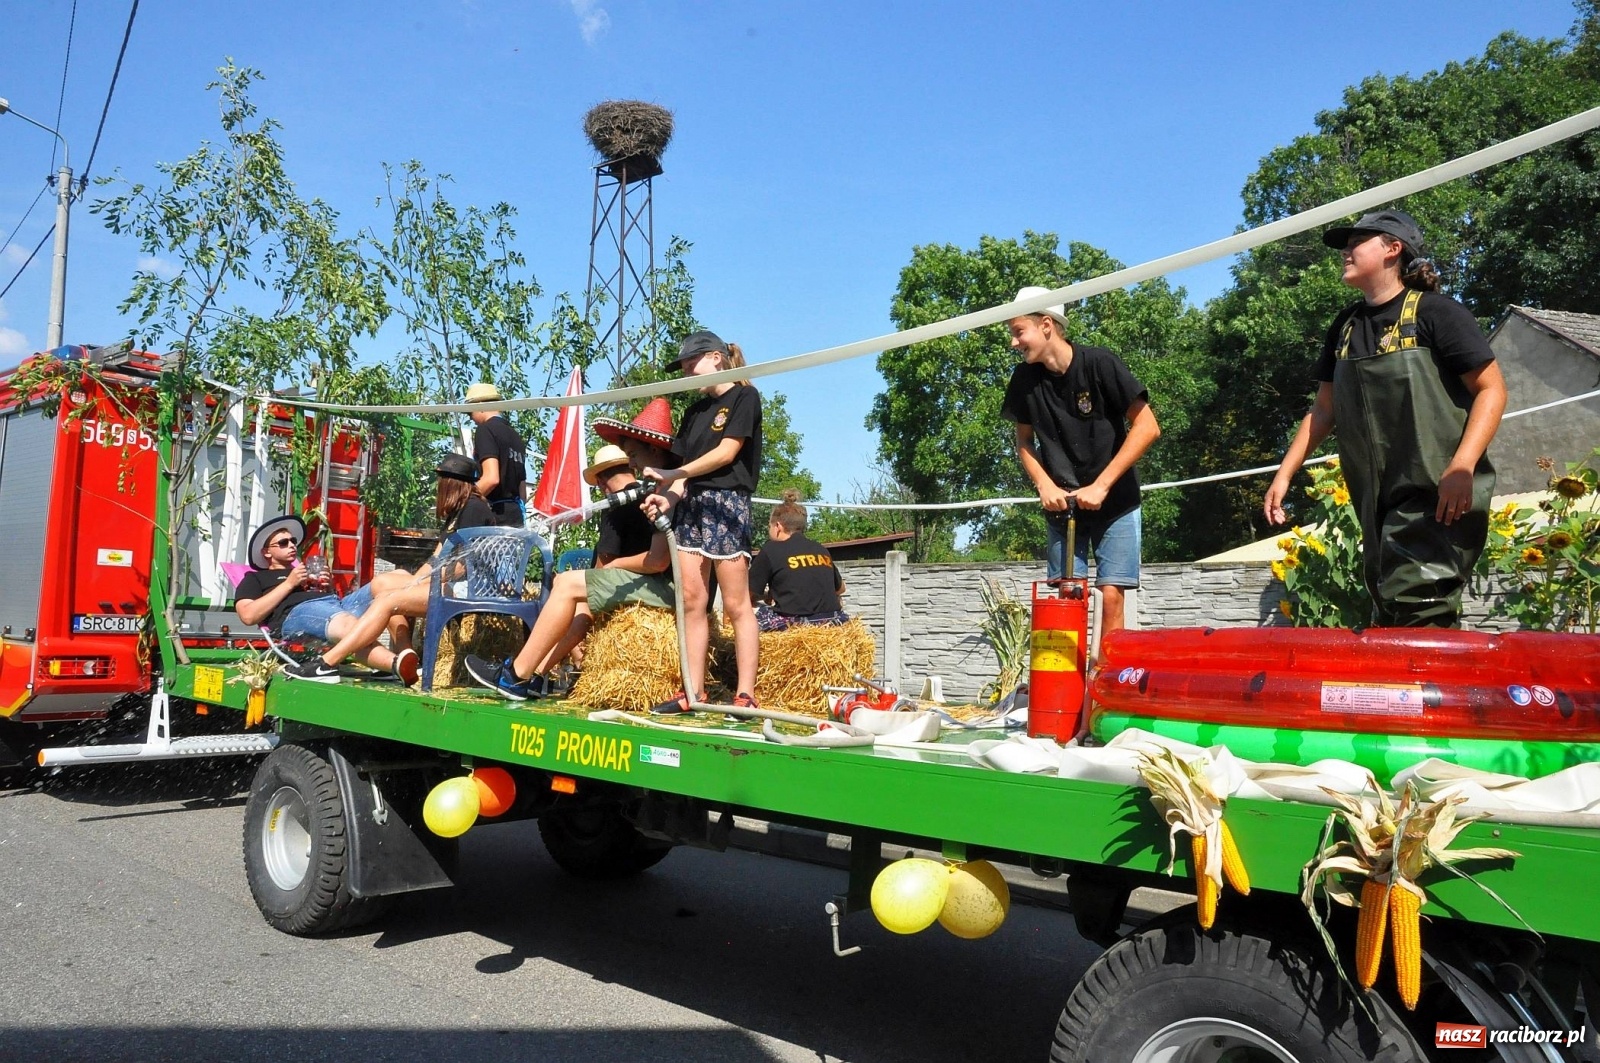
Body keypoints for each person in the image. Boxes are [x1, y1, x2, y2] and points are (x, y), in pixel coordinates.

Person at [1264, 209, 1506, 628]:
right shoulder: (1345, 327)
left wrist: (1462, 466)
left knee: (1419, 606)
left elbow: (1492, 390)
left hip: (1437, 495)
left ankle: (1431, 689)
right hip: (1375, 502)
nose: (1346, 250)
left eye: (1358, 241)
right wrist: (1284, 475)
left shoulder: (1437, 314)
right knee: (1390, 605)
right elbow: (1324, 410)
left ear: (1393, 249)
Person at [1000, 286, 1160, 635]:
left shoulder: (1099, 363)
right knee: (1067, 596)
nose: (1014, 342)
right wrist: (1044, 483)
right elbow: (1024, 443)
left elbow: (1147, 427)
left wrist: (1102, 486)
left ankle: (1102, 684)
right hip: (1064, 506)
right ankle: (1069, 688)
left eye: (1018, 332)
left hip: (1115, 500)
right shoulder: (1024, 380)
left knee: (1111, 595)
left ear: (1046, 325)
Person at [463, 444, 672, 700]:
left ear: (602, 483)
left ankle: (516, 675)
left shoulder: (617, 511)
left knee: (566, 588)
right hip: (652, 586)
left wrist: (611, 568)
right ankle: (536, 674)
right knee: (575, 600)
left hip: (648, 586)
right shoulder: (653, 497)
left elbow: (603, 572)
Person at [279, 453, 495, 682]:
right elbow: (435, 558)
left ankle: (326, 664)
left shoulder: (473, 509)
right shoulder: (459, 510)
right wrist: (415, 581)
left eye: (440, 481)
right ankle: (406, 657)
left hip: (471, 589)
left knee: (388, 600)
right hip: (454, 583)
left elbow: (464, 566)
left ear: (450, 482)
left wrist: (420, 585)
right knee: (385, 583)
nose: (437, 487)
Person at [642, 330, 764, 714]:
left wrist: (671, 474)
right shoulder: (694, 413)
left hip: (727, 504)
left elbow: (727, 453)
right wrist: (667, 497)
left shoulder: (745, 396)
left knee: (735, 604)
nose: (688, 371)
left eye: (692, 363)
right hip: (692, 505)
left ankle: (745, 694)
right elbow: (682, 477)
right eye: (683, 366)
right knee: (693, 601)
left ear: (715, 358)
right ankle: (693, 693)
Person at [235, 515, 419, 685]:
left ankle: (405, 652)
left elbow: (330, 603)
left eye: (293, 541)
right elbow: (248, 616)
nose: (292, 545)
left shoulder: (302, 573)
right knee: (347, 624)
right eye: (283, 542)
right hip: (296, 614)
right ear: (267, 552)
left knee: (392, 583)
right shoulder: (255, 578)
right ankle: (396, 665)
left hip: (334, 604)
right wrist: (289, 583)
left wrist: (327, 586)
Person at [749, 488, 848, 631]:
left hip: (794, 624)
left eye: (769, 526)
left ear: (778, 526)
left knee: (743, 610)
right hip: (831, 622)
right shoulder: (820, 549)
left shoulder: (771, 550)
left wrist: (764, 596)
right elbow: (840, 589)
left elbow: (744, 596)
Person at [465, 382, 529, 527]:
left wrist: (462, 501)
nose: (470, 418)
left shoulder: (485, 430)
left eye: (469, 412)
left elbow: (491, 478)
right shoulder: (515, 436)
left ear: (480, 406)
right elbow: (522, 491)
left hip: (493, 518)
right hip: (515, 519)